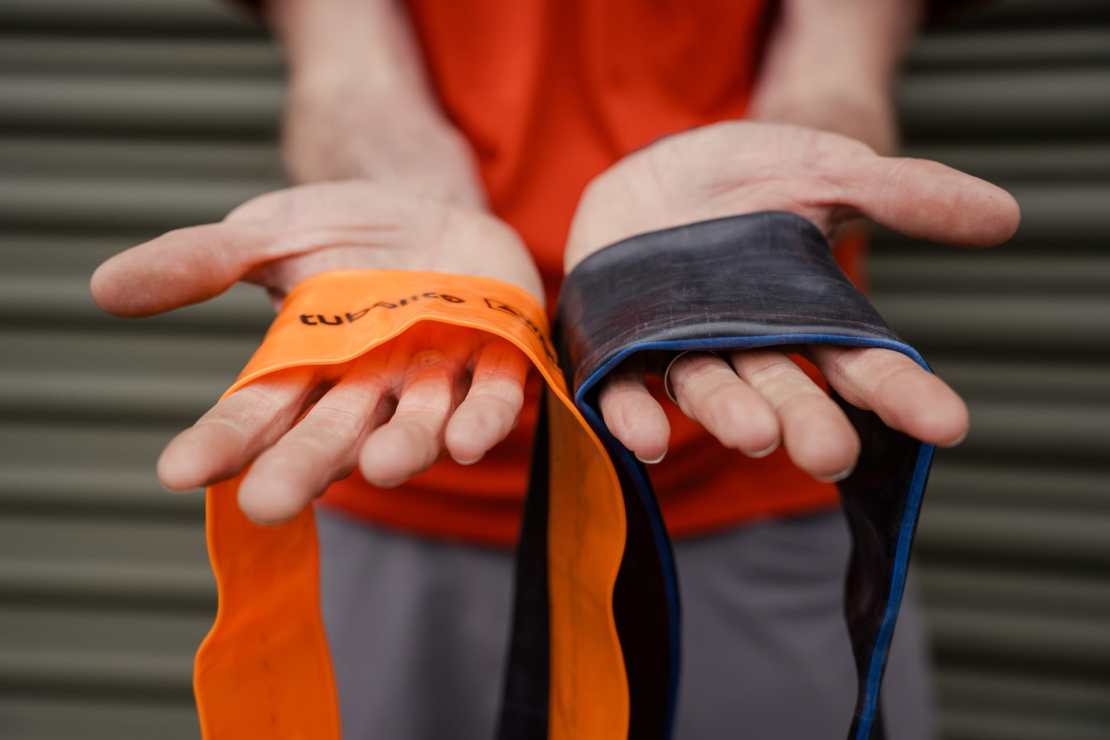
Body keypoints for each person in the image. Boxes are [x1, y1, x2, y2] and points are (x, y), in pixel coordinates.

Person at [91, 1, 1019, 738]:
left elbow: (835, 44)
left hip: (756, 451)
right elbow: (348, 64)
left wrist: (828, 114)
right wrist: (360, 114)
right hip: (395, 451)